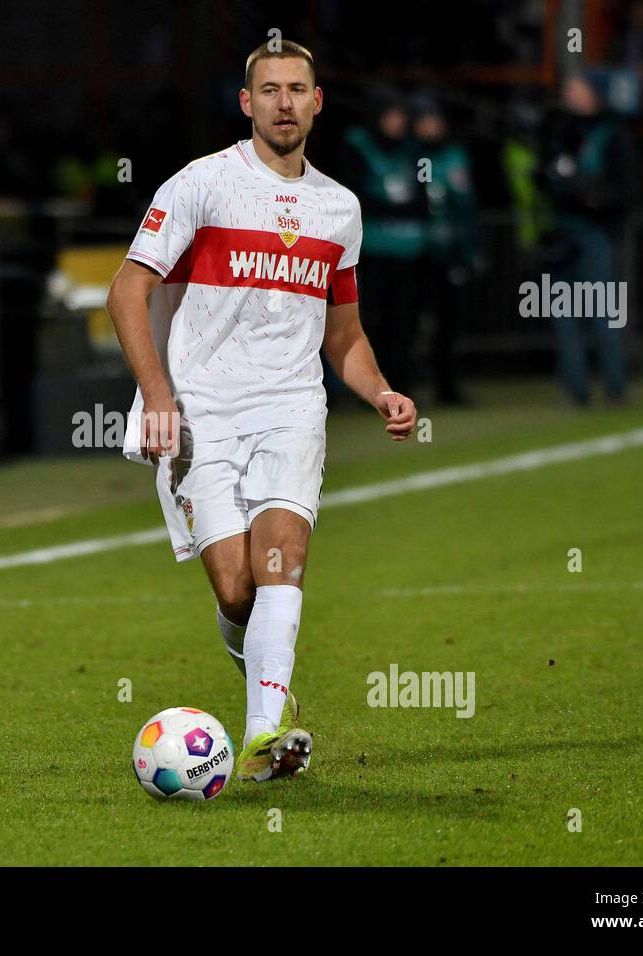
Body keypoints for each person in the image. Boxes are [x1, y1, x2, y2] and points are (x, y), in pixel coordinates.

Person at [106, 41, 417, 784]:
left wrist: (378, 391)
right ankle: (269, 688)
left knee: (282, 561)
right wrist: (157, 395)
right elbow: (125, 290)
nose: (284, 101)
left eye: (297, 89)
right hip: (202, 411)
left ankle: (265, 734)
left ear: (316, 102)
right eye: (269, 89)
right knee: (236, 589)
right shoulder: (201, 184)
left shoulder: (340, 208)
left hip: (291, 409)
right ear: (246, 103)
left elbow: (343, 335)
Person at [536, 72, 634, 405]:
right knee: (564, 315)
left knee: (602, 311)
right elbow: (543, 178)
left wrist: (585, 190)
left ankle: (615, 386)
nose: (569, 93)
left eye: (578, 88)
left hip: (596, 234)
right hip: (562, 230)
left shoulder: (612, 135)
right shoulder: (559, 131)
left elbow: (621, 192)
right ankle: (575, 389)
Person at [339, 87, 422, 396]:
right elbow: (354, 196)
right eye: (392, 115)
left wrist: (401, 208)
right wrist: (396, 208)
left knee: (405, 320)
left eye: (402, 116)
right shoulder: (358, 145)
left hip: (409, 251)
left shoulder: (410, 149)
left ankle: (402, 382)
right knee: (371, 319)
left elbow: (422, 199)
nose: (398, 122)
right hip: (372, 251)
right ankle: (368, 387)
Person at [411, 91, 480, 405]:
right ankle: (401, 386)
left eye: (434, 120)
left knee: (449, 323)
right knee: (408, 321)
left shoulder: (454, 155)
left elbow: (466, 206)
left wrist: (471, 250)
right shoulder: (409, 154)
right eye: (425, 120)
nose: (431, 126)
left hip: (450, 250)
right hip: (416, 251)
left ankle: (447, 388)